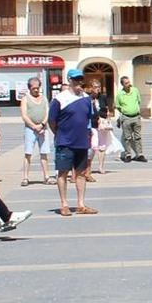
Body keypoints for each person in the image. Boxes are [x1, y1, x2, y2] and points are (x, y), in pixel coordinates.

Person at [50, 69, 98, 217]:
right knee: (63, 173)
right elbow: (52, 121)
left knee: (81, 173)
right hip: (65, 141)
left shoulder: (86, 99)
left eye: (80, 80)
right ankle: (64, 204)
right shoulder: (60, 99)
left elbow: (90, 118)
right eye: (76, 80)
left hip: (82, 142)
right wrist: (59, 134)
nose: (79, 83)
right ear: (69, 80)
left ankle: (81, 204)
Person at [17, 76, 52, 185]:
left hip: (43, 129)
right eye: (34, 88)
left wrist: (42, 125)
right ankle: (26, 177)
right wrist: (34, 126)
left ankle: (46, 176)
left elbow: (47, 112)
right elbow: (24, 115)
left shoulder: (44, 98)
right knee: (28, 153)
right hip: (30, 129)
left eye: (37, 88)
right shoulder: (25, 99)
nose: (36, 90)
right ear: (29, 88)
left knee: (44, 153)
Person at [114, 75, 146, 163]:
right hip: (126, 118)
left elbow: (139, 101)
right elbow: (118, 106)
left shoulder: (135, 90)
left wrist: (135, 110)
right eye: (126, 83)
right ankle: (128, 154)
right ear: (123, 85)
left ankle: (140, 154)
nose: (129, 84)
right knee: (127, 137)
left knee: (138, 136)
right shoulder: (120, 94)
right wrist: (125, 111)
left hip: (136, 116)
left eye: (129, 82)